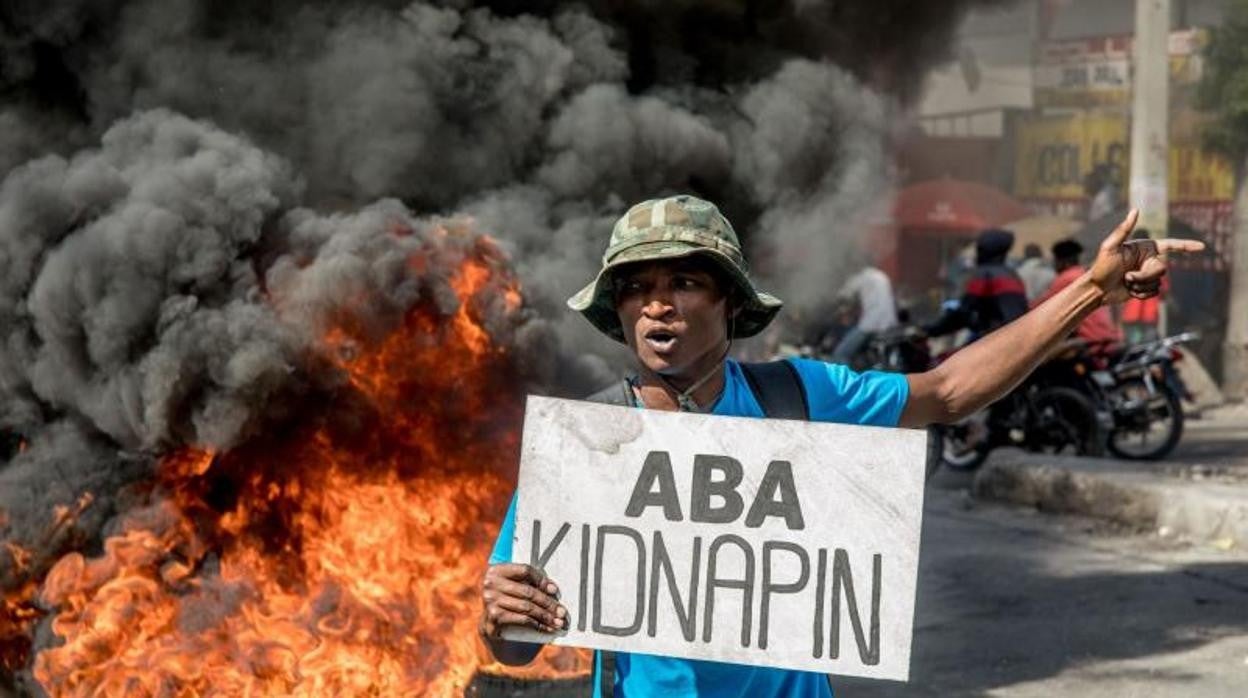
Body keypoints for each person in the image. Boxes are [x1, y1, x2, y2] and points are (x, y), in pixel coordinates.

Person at [479, 195, 1201, 698]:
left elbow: (948, 392)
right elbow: (515, 646)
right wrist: (500, 614)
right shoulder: (584, 447)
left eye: (684, 281)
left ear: (729, 302)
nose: (657, 303)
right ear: (619, 310)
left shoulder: (798, 396)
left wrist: (1090, 294)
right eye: (636, 288)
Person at [923, 228, 1029, 342]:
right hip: (1018, 337)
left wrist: (932, 330)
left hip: (995, 339)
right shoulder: (1012, 274)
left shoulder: (983, 274)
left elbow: (964, 310)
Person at [1034, 238, 1122, 354]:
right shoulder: (1086, 274)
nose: (1054, 265)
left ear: (1063, 262)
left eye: (1055, 261)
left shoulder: (1066, 278)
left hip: (1091, 343)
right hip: (1111, 339)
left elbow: (1041, 307)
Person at [829, 263, 898, 364]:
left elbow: (844, 295)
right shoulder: (881, 275)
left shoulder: (861, 277)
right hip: (890, 322)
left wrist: (834, 305)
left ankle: (848, 379)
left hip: (871, 324)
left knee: (840, 354)